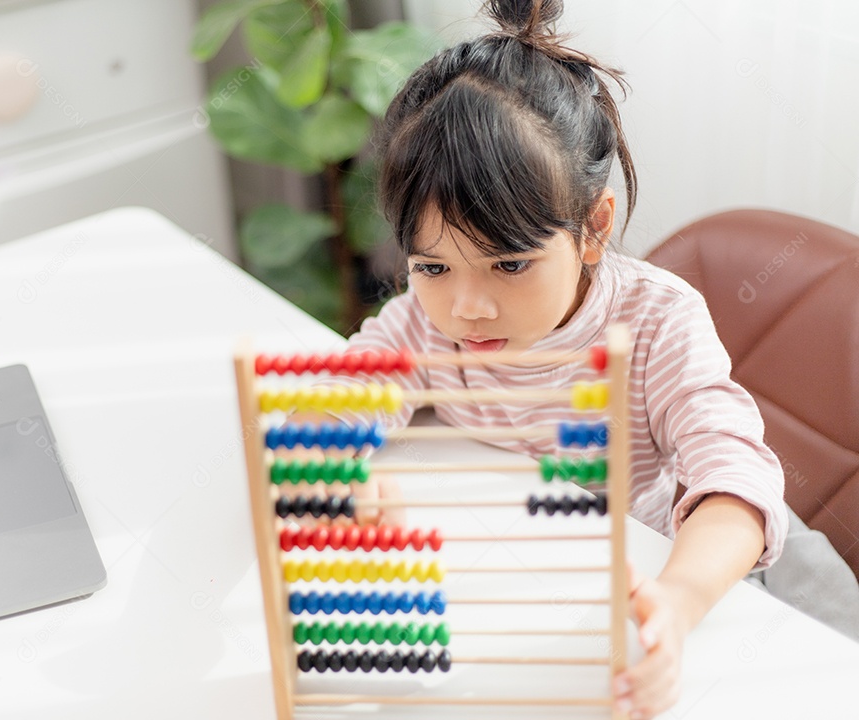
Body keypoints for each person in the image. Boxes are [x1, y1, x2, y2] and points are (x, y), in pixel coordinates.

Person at [337, 1, 789, 717]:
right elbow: (333, 402)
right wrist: (337, 468)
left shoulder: (655, 322)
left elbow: (736, 481)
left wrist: (676, 601)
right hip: (514, 586)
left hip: (651, 580)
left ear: (593, 227)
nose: (467, 309)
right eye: (432, 267)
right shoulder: (426, 323)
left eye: (508, 266)